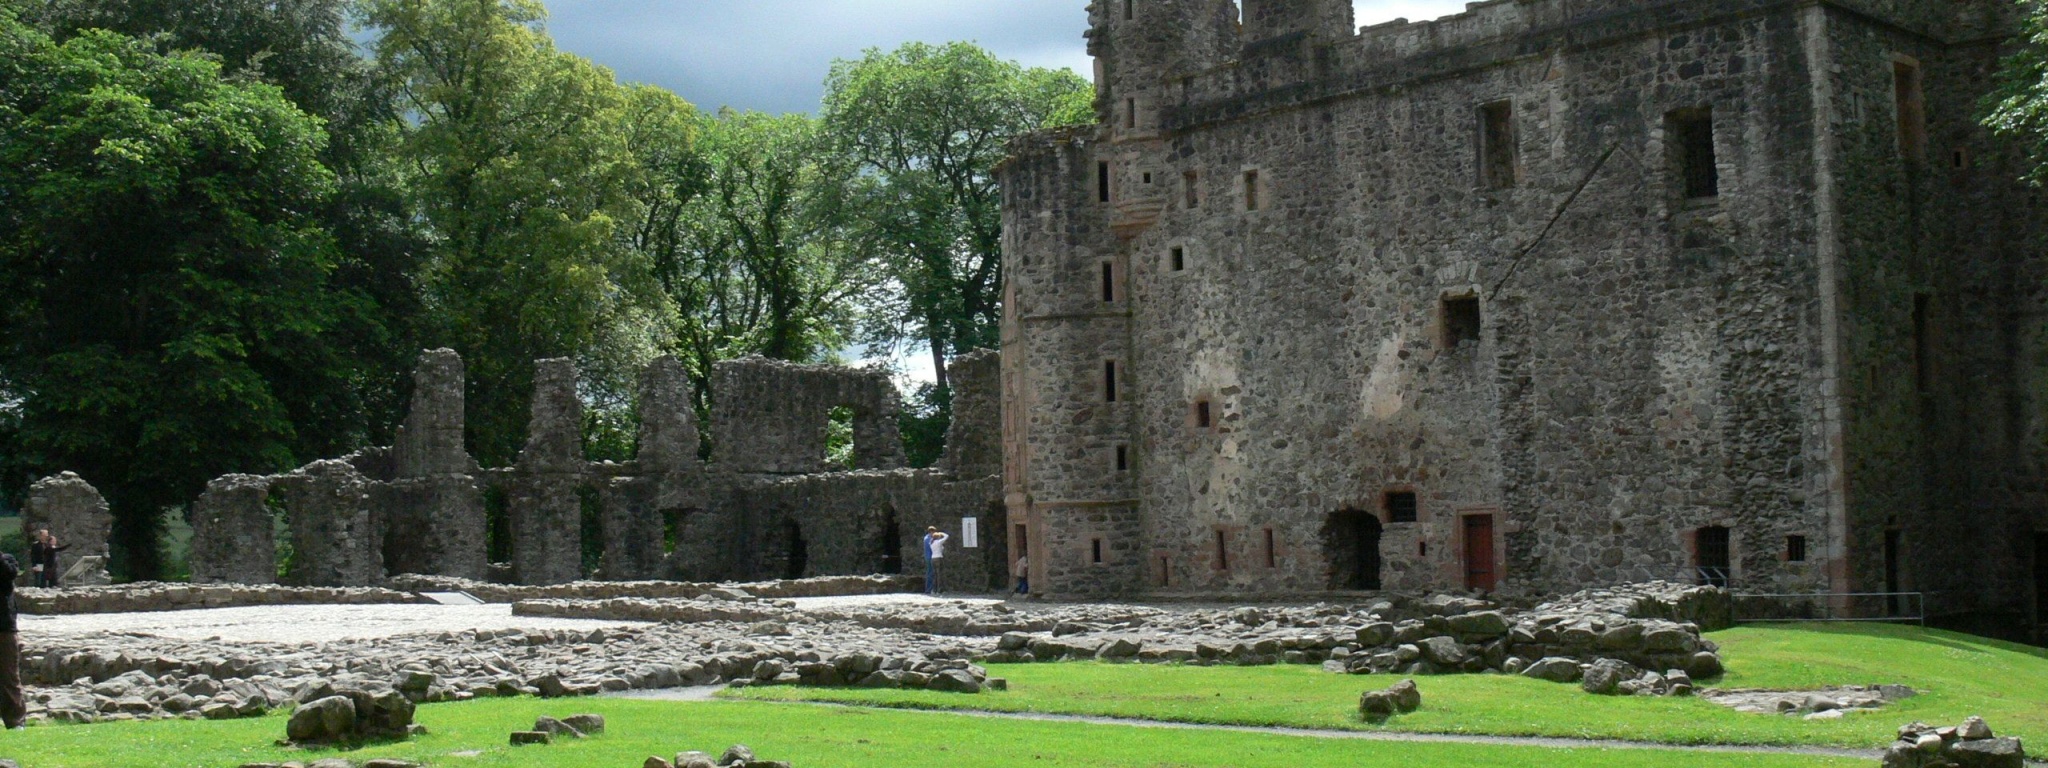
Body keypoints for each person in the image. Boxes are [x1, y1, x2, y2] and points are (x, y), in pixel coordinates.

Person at [0, 550, 21, 729]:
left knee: (9, 677)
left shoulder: (7, 559)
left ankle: (15, 722)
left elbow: (9, 574)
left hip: (4, 628)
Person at [921, 526, 949, 595]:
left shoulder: (929, 540)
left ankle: (932, 589)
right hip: (932, 557)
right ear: (931, 531)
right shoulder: (929, 539)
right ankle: (930, 589)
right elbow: (946, 537)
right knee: (933, 574)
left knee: (932, 573)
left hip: (931, 557)